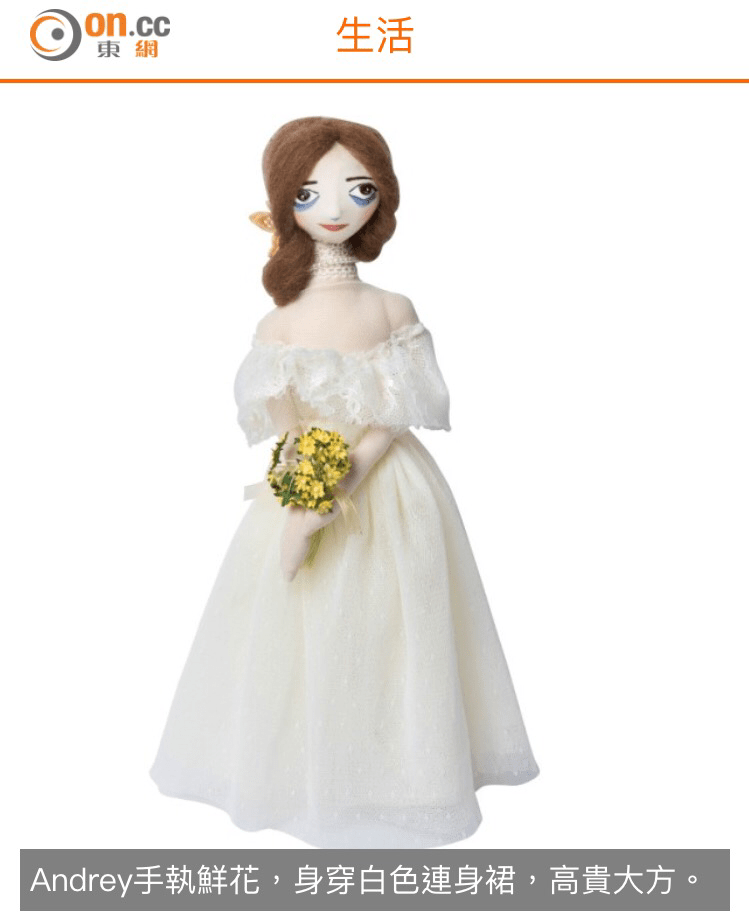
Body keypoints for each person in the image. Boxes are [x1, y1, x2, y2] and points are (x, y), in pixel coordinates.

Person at [150, 116, 540, 849]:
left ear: (381, 197)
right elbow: (287, 426)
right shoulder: (280, 322)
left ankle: (405, 774)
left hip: (390, 490)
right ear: (283, 202)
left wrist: (340, 482)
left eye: (357, 189)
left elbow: (394, 415)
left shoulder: (392, 308)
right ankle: (302, 771)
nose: (334, 208)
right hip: (305, 486)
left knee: (400, 624)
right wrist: (303, 500)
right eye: (308, 193)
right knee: (300, 623)